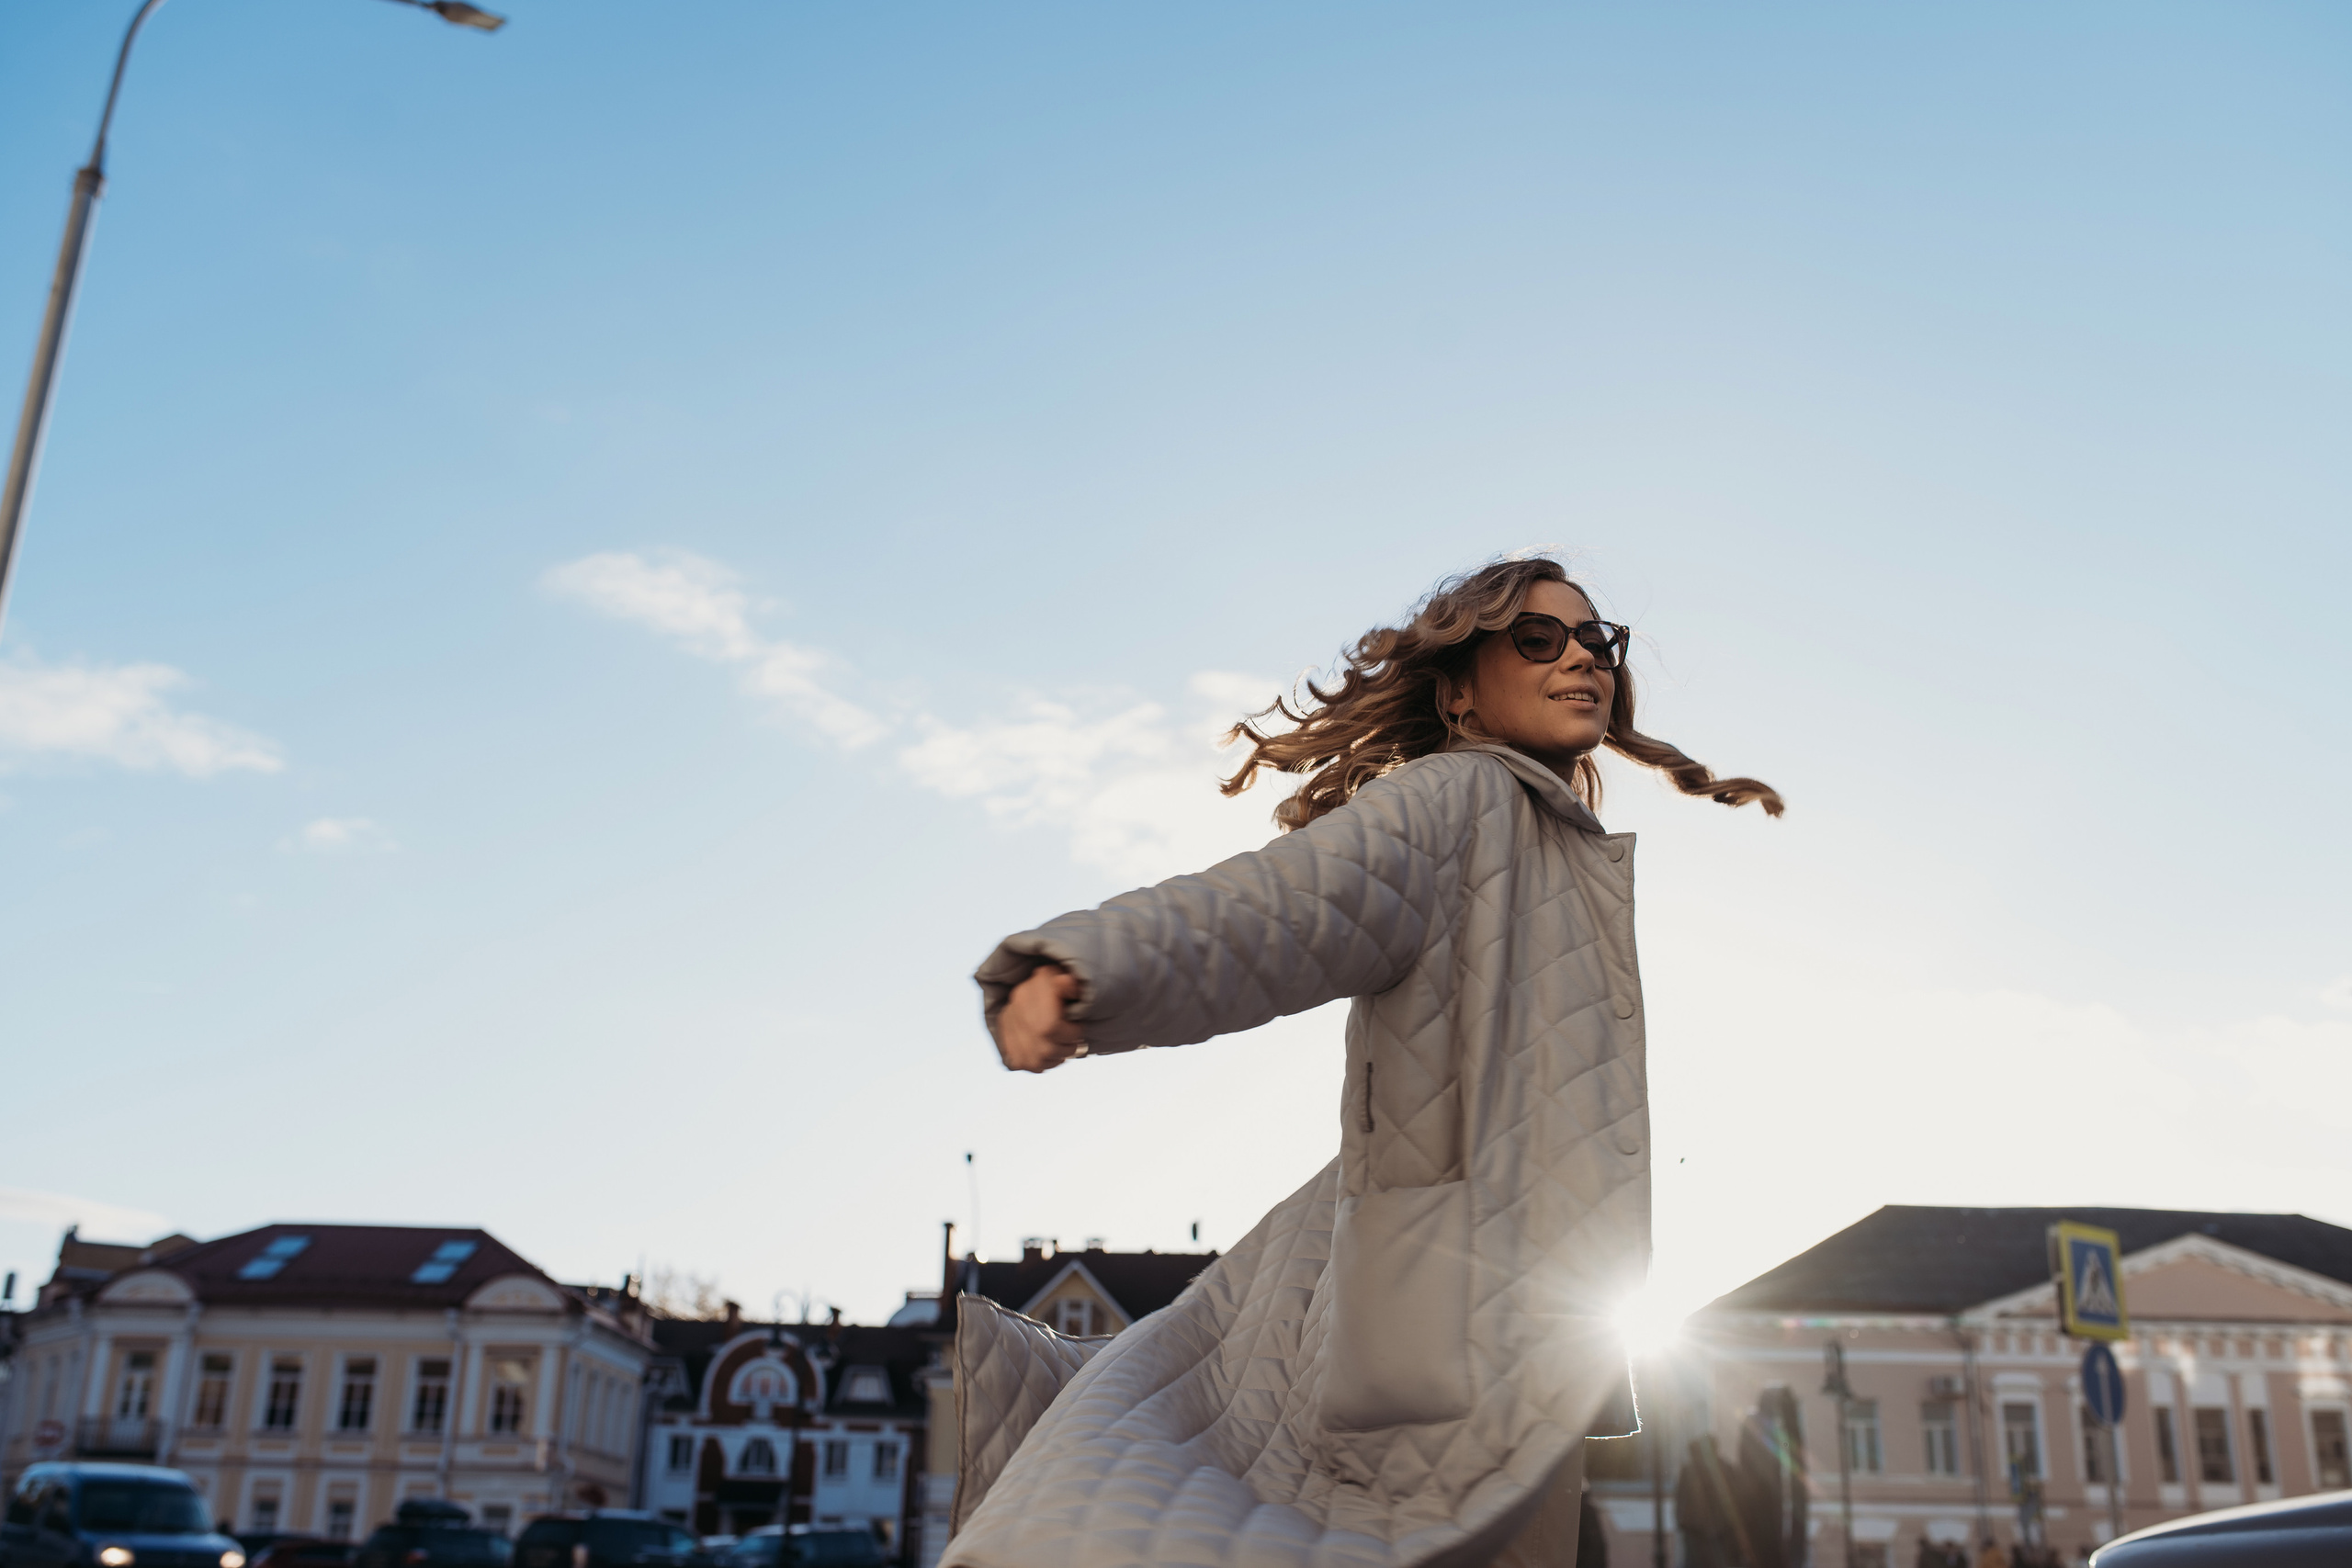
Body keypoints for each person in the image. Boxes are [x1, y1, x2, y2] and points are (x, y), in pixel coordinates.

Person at [953, 555, 1782, 1568]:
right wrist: (1085, 972)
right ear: (1461, 693)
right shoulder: (1458, 802)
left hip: (1524, 1340)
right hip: (1452, 1338)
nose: (1581, 657)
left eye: (1594, 639)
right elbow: (1286, 904)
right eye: (1537, 637)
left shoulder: (1555, 841)